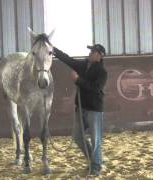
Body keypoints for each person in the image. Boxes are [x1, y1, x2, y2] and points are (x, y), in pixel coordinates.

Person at [53, 44, 107, 176]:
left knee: (96, 139)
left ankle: (96, 167)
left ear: (100, 56)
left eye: (93, 51)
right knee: (77, 137)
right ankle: (92, 160)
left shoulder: (102, 72)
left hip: (94, 109)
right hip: (81, 107)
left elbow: (95, 88)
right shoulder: (83, 65)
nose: (90, 53)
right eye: (91, 51)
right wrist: (54, 50)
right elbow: (68, 60)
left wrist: (78, 80)